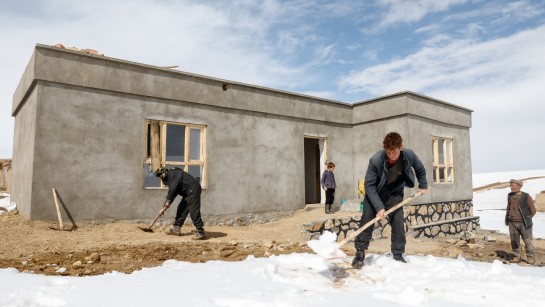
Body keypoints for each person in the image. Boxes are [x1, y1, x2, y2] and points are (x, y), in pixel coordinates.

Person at [352, 132, 428, 268]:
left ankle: (398, 254)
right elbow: (369, 186)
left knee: (398, 221)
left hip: (394, 192)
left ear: (401, 147)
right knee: (367, 220)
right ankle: (360, 252)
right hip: (375, 193)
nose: (391, 155)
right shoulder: (376, 160)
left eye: (394, 152)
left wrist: (423, 185)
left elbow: (420, 169)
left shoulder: (408, 155)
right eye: (388, 152)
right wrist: (379, 207)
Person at [154, 166, 206, 240]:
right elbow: (174, 192)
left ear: (163, 174)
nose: (160, 179)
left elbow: (173, 190)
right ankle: (176, 229)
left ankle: (201, 232)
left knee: (193, 210)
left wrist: (167, 202)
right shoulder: (173, 176)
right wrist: (166, 205)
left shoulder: (172, 174)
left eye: (160, 177)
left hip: (193, 190)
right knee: (181, 209)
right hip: (188, 192)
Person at [505, 179, 536, 264]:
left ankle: (531, 258)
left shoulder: (526, 196)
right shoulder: (509, 195)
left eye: (513, 185)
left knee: (528, 241)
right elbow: (508, 207)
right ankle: (516, 256)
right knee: (514, 240)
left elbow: (533, 210)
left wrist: (527, 218)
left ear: (519, 186)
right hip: (512, 222)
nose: (511, 187)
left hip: (524, 223)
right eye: (510, 185)